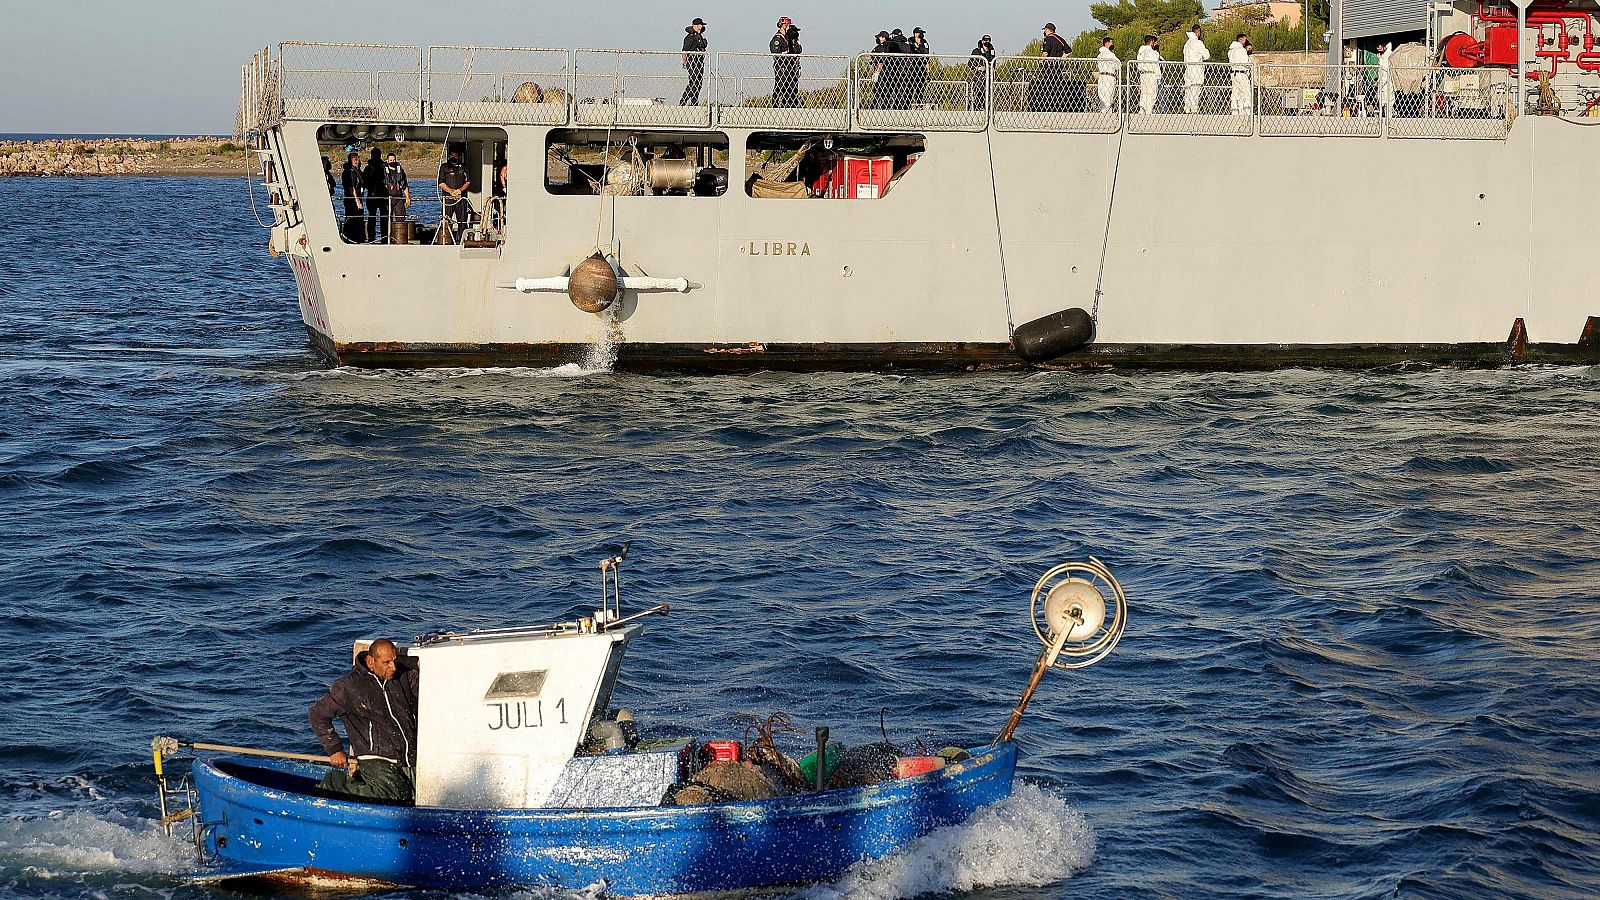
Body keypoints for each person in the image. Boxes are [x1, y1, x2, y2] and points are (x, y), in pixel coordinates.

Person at [308, 639, 420, 802]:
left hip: (409, 755)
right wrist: (334, 748)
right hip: (376, 757)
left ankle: (363, 783)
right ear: (370, 662)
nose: (393, 667)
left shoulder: (404, 675)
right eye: (387, 663)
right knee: (396, 794)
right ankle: (333, 785)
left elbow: (428, 691)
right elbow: (317, 714)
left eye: (394, 661)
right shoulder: (348, 687)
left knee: (420, 795)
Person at [1032, 22, 1072, 113]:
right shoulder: (1060, 39)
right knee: (1058, 87)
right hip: (1057, 67)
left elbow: (1045, 53)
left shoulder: (1048, 39)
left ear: (1047, 30)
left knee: (1048, 87)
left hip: (1049, 67)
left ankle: (1048, 106)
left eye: (1045, 30)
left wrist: (1040, 62)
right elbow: (1069, 51)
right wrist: (1061, 59)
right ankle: (1060, 106)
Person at [437, 149, 472, 241]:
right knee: (446, 220)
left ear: (459, 157)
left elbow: (468, 182)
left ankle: (461, 240)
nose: (453, 157)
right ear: (449, 156)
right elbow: (441, 183)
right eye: (451, 156)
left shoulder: (464, 167)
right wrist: (451, 191)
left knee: (462, 221)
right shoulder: (444, 167)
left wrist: (459, 191)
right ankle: (445, 240)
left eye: (455, 156)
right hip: (448, 198)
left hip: (461, 198)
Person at [770, 17, 800, 108]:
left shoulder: (787, 38)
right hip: (781, 65)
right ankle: (775, 105)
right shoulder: (778, 38)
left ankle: (787, 104)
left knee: (790, 86)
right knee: (780, 85)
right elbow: (776, 53)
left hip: (788, 65)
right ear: (784, 26)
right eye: (788, 26)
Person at [1183, 25, 1210, 115]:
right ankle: (1194, 109)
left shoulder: (1187, 43)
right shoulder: (1197, 43)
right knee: (1195, 88)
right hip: (1196, 68)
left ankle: (1187, 108)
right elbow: (1207, 55)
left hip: (1188, 68)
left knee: (1188, 89)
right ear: (1198, 31)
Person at [382, 152, 410, 241]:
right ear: (387, 160)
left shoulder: (400, 170)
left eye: (394, 160)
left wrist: (408, 197)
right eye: (390, 160)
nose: (392, 161)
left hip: (399, 198)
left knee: (401, 217)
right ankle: (386, 239)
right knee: (386, 219)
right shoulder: (383, 170)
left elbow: (404, 185)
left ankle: (400, 239)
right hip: (387, 198)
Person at [363, 146, 388, 243]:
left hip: (382, 194)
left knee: (384, 217)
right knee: (372, 217)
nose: (376, 156)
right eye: (374, 154)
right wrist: (371, 188)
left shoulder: (384, 167)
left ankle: (384, 237)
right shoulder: (368, 168)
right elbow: (365, 181)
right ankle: (371, 237)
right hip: (372, 194)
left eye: (377, 154)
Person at [681, 18, 708, 106]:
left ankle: (694, 102)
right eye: (700, 25)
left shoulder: (700, 36)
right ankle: (683, 101)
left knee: (699, 82)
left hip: (700, 60)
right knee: (693, 81)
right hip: (692, 60)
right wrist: (685, 62)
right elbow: (684, 51)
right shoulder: (690, 37)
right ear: (696, 25)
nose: (702, 26)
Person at [339, 152, 365, 243]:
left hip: (359, 196)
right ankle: (349, 238)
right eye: (354, 160)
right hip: (351, 199)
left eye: (357, 160)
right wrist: (357, 200)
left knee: (358, 218)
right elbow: (351, 187)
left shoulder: (358, 171)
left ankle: (358, 237)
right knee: (351, 218)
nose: (356, 162)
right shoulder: (349, 172)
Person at [1136, 34, 1162, 115]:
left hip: (1143, 74)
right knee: (1152, 92)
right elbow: (1156, 64)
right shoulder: (1151, 52)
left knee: (1144, 92)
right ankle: (1149, 110)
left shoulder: (1141, 51)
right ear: (1151, 41)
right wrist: (1158, 76)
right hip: (1151, 74)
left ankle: (1142, 109)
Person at [969, 35, 995, 113]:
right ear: (982, 41)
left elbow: (993, 63)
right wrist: (978, 68)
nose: (987, 42)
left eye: (989, 40)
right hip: (979, 75)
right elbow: (970, 64)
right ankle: (978, 106)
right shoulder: (976, 51)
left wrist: (991, 68)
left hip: (989, 75)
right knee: (979, 90)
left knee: (988, 91)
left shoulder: (992, 51)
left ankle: (987, 107)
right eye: (985, 40)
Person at [1229, 33, 1253, 116]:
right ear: (1241, 39)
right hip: (1242, 73)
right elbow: (1245, 63)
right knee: (1246, 93)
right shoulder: (1241, 50)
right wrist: (1250, 64)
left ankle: (1235, 111)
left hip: (1233, 73)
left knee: (1236, 93)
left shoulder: (1231, 51)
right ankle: (1247, 111)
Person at [907, 28, 931, 108]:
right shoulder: (910, 40)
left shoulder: (924, 42)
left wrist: (928, 71)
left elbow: (926, 57)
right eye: (920, 33)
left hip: (921, 68)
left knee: (920, 89)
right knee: (909, 88)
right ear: (915, 33)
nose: (921, 35)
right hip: (911, 68)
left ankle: (919, 105)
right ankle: (907, 105)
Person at [1096, 37, 1119, 113]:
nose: (1112, 44)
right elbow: (1118, 65)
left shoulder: (1100, 55)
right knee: (1109, 95)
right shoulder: (1110, 54)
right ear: (1108, 43)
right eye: (1111, 42)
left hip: (1102, 76)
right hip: (1109, 76)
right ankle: (1108, 112)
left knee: (1102, 95)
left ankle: (1103, 111)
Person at [1376, 41, 1396, 117]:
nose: (1378, 48)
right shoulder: (1384, 55)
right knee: (1382, 99)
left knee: (1388, 98)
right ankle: (1384, 115)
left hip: (1387, 81)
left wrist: (1380, 60)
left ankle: (1389, 116)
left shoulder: (1389, 54)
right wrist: (1378, 80)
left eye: (1380, 46)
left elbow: (1386, 67)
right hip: (1382, 81)